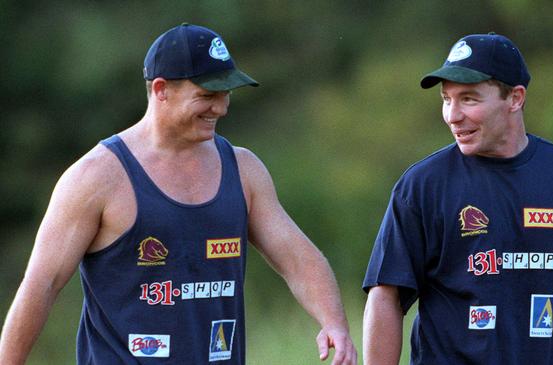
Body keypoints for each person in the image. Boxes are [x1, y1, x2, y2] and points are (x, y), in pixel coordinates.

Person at [0, 23, 356, 364]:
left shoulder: (243, 170)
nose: (220, 108)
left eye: (225, 94)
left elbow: (296, 257)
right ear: (160, 90)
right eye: (206, 96)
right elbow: (42, 285)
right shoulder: (97, 177)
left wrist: (335, 323)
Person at [362, 33, 553, 364]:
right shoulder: (423, 185)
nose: (453, 115)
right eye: (446, 99)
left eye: (469, 99)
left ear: (515, 98)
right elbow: (386, 295)